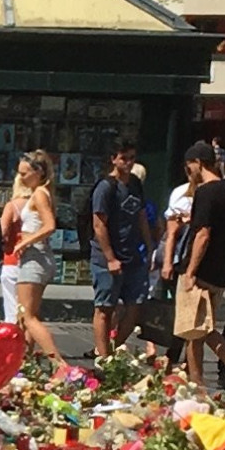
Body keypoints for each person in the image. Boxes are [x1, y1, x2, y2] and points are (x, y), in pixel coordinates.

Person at [173, 147, 225, 391]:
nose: (188, 172)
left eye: (189, 166)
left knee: (193, 331)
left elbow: (203, 234)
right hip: (221, 270)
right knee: (206, 327)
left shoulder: (205, 191)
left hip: (201, 271)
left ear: (198, 163)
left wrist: (190, 271)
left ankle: (196, 383)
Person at [87, 147, 148, 356]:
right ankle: (103, 357)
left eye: (132, 158)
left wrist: (149, 246)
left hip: (133, 255)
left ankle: (113, 349)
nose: (128, 163)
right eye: (124, 158)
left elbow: (141, 217)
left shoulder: (135, 184)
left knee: (134, 307)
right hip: (107, 257)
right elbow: (99, 225)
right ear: (114, 159)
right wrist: (110, 257)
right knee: (105, 308)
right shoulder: (105, 187)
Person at [0, 152, 58, 343]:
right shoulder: (42, 193)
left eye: (25, 174)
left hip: (35, 256)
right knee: (28, 314)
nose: (21, 179)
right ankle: (26, 358)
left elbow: (50, 225)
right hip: (38, 256)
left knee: (26, 316)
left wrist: (24, 241)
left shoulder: (40, 194)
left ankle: (58, 361)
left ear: (38, 172)